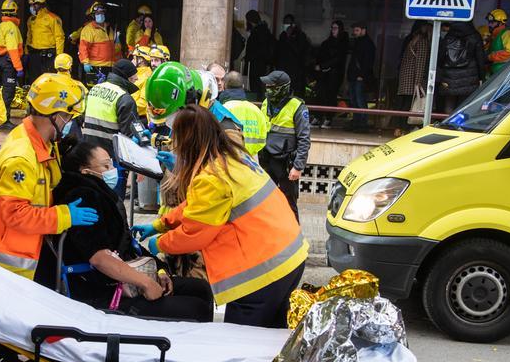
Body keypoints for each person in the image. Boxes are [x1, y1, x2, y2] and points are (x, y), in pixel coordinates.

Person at [139, 105, 308, 328]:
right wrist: (160, 224)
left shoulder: (211, 178)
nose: (173, 145)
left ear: (187, 142)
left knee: (238, 341)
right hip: (289, 256)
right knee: (271, 337)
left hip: (263, 271)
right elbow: (197, 205)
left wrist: (159, 243)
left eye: (176, 139)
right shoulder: (232, 156)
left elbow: (194, 233)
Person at [40, 138, 214, 321]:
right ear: (85, 171)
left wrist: (160, 270)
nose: (112, 170)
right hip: (103, 292)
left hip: (124, 278)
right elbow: (99, 258)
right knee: (196, 308)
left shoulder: (104, 197)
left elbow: (127, 245)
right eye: (106, 166)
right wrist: (146, 283)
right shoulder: (83, 199)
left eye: (111, 164)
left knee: (201, 289)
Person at [0, 73, 97, 279]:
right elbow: (16, 215)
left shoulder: (38, 140)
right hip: (4, 267)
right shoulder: (21, 159)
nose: (68, 122)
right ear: (55, 116)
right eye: (68, 117)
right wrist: (64, 216)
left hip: (17, 256)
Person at [82, 58, 146, 197]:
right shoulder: (124, 98)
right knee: (114, 202)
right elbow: (131, 134)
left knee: (93, 198)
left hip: (88, 156)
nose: (136, 80)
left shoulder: (94, 89)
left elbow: (83, 117)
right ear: (127, 78)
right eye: (134, 77)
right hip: (110, 161)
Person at [257, 70, 310, 220]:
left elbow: (304, 139)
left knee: (289, 203)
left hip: (285, 163)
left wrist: (298, 166)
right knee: (266, 201)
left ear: (282, 88)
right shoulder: (266, 103)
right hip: (266, 160)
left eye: (271, 86)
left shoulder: (297, 107)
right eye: (267, 86)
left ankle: (295, 233)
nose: (268, 89)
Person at [435, 21, 487, 114]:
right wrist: (482, 78)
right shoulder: (475, 36)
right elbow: (480, 59)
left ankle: (448, 122)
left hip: (449, 77)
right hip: (469, 77)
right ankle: (460, 122)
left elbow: (440, 57)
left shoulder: (448, 36)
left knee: (449, 104)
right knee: (464, 106)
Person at [218, 69, 268, 155]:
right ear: (243, 86)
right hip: (252, 158)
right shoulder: (256, 110)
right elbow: (263, 139)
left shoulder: (222, 110)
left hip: (229, 157)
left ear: (224, 86)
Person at [313, 20, 349, 126]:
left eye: (335, 28)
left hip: (334, 74)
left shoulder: (343, 44)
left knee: (331, 95)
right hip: (324, 74)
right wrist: (319, 65)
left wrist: (323, 66)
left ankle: (328, 118)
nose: (333, 30)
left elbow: (338, 59)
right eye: (332, 28)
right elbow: (321, 55)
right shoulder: (327, 42)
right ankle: (318, 116)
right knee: (320, 94)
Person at [25, 0, 65, 81]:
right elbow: (29, 37)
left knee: (48, 80)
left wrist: (59, 56)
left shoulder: (53, 18)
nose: (32, 7)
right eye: (31, 5)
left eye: (34, 5)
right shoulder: (31, 20)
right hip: (34, 54)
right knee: (34, 79)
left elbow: (59, 37)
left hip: (49, 55)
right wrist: (26, 53)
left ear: (41, 4)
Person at [397, 21, 432, 122]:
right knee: (409, 104)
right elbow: (420, 63)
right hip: (413, 78)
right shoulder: (422, 42)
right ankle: (404, 126)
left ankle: (399, 126)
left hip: (406, 77)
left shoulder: (413, 39)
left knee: (404, 103)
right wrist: (418, 82)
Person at [0, 0, 24, 111]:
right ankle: (4, 117)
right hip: (9, 62)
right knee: (8, 90)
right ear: (15, 11)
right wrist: (19, 68)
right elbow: (12, 50)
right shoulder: (12, 27)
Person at [346, 22, 377, 128]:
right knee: (354, 100)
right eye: (354, 30)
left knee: (360, 100)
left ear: (364, 30)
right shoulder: (357, 42)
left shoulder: (368, 44)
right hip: (354, 76)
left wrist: (362, 75)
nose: (355, 32)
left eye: (357, 30)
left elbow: (368, 62)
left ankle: (362, 123)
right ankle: (357, 122)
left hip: (360, 77)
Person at [273, 14, 310, 97]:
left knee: (295, 94)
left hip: (295, 73)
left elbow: (299, 51)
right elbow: (278, 53)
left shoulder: (300, 36)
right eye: (284, 23)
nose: (286, 25)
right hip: (283, 71)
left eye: (288, 23)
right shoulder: (283, 36)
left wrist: (290, 38)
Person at [78, 1, 116, 82]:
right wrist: (85, 62)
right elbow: (83, 48)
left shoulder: (109, 29)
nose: (100, 15)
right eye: (97, 13)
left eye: (102, 12)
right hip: (96, 67)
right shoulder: (88, 29)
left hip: (110, 66)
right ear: (93, 16)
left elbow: (113, 47)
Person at [244, 9, 275, 96]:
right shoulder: (264, 30)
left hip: (256, 64)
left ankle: (257, 101)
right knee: (260, 86)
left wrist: (249, 57)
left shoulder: (257, 31)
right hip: (262, 63)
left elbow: (256, 48)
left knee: (256, 86)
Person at [485, 8, 510, 76]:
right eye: (489, 22)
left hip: (505, 74)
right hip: (497, 73)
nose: (489, 25)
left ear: (501, 23)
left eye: (492, 23)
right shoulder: (496, 36)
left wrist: (490, 57)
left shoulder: (508, 34)